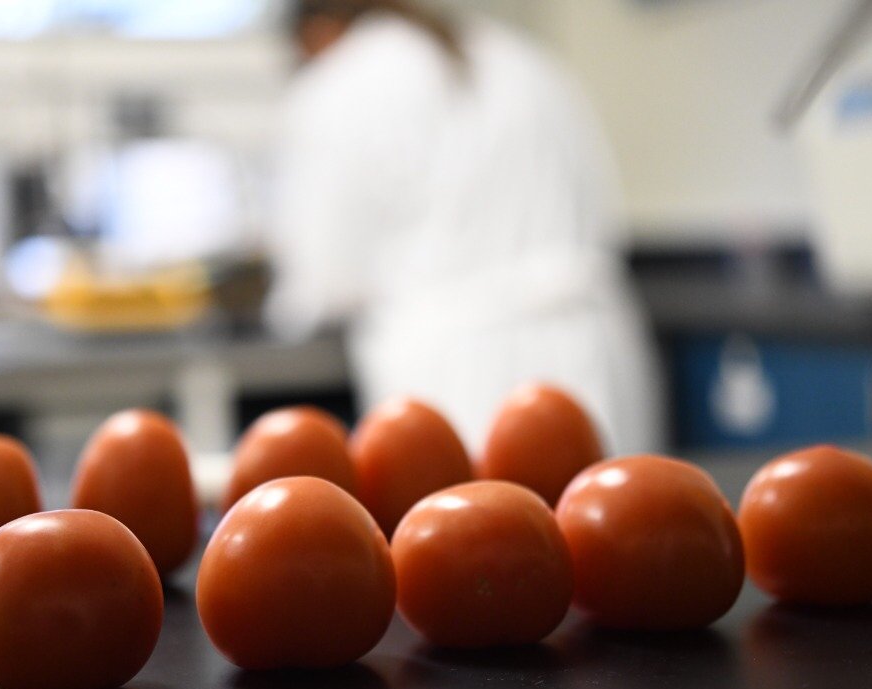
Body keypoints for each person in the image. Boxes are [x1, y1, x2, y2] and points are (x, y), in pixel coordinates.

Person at [265, 0, 664, 455]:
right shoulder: (522, 58)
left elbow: (325, 282)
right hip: (593, 353)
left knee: (471, 501)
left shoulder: (339, 83)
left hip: (457, 376)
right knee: (610, 499)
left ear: (318, 29)